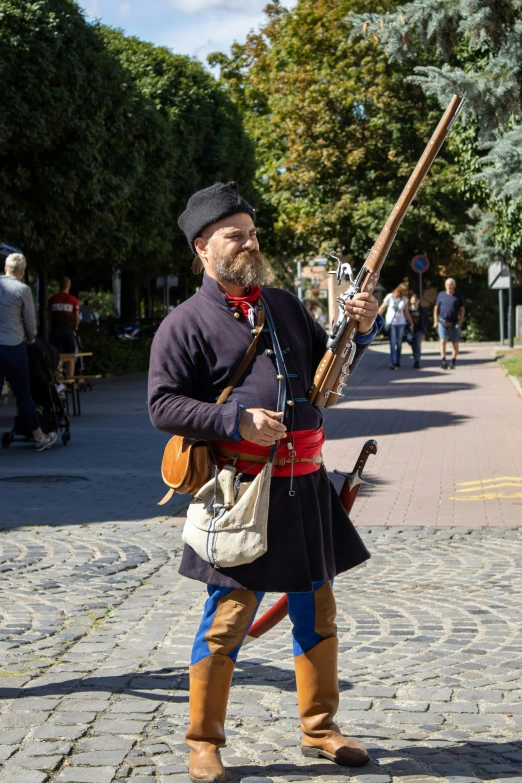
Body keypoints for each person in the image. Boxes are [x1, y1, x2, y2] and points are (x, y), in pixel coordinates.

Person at [148, 181, 383, 783]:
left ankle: (320, 728)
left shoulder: (282, 305)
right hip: (243, 493)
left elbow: (324, 379)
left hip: (306, 484)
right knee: (228, 617)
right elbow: (163, 407)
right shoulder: (184, 324)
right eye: (236, 235)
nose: (250, 243)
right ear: (204, 248)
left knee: (317, 612)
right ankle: (203, 740)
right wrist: (234, 419)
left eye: (252, 234)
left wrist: (359, 329)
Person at [0, 253, 57, 451]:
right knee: (23, 393)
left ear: (5, 268)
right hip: (14, 347)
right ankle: (38, 436)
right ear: (22, 272)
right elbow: (30, 323)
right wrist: (31, 337)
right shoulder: (22, 290)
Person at [48, 276, 80, 379]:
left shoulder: (52, 299)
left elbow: (48, 315)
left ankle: (60, 383)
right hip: (68, 330)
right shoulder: (73, 300)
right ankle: (70, 381)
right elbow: (76, 317)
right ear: (69, 286)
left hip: (55, 329)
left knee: (58, 357)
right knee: (70, 356)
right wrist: (75, 327)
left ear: (59, 285)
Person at [378, 283, 413, 369]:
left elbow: (406, 312)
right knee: (393, 343)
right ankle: (394, 362)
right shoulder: (390, 297)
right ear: (399, 290)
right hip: (391, 323)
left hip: (401, 323)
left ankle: (398, 361)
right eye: (403, 292)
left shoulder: (404, 299)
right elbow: (382, 307)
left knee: (399, 343)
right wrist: (376, 317)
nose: (404, 294)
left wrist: (411, 322)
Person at [433, 278, 465, 369]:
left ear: (454, 286)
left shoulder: (458, 296)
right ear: (445, 285)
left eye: (451, 284)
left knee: (455, 343)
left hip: (454, 322)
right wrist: (435, 321)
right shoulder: (441, 295)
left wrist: (460, 321)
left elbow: (462, 310)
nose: (449, 286)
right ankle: (443, 361)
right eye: (447, 284)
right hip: (442, 321)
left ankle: (453, 361)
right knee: (443, 341)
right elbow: (436, 309)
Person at [407, 293, 428, 368]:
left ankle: (417, 361)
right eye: (412, 299)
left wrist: (424, 328)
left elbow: (425, 319)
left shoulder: (422, 310)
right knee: (413, 345)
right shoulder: (408, 310)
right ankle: (415, 358)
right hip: (411, 330)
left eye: (415, 300)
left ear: (418, 301)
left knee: (418, 345)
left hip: (419, 329)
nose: (414, 301)